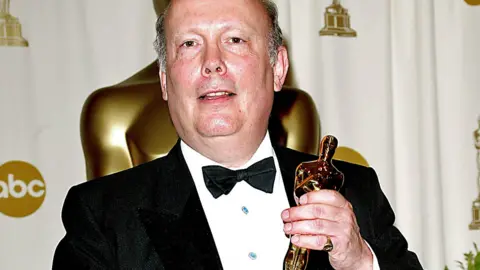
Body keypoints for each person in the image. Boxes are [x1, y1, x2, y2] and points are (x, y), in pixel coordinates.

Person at [52, 0, 423, 269]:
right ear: (165, 81)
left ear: (277, 67)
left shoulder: (354, 189)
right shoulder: (101, 214)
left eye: (235, 40)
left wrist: (359, 261)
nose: (211, 62)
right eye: (189, 44)